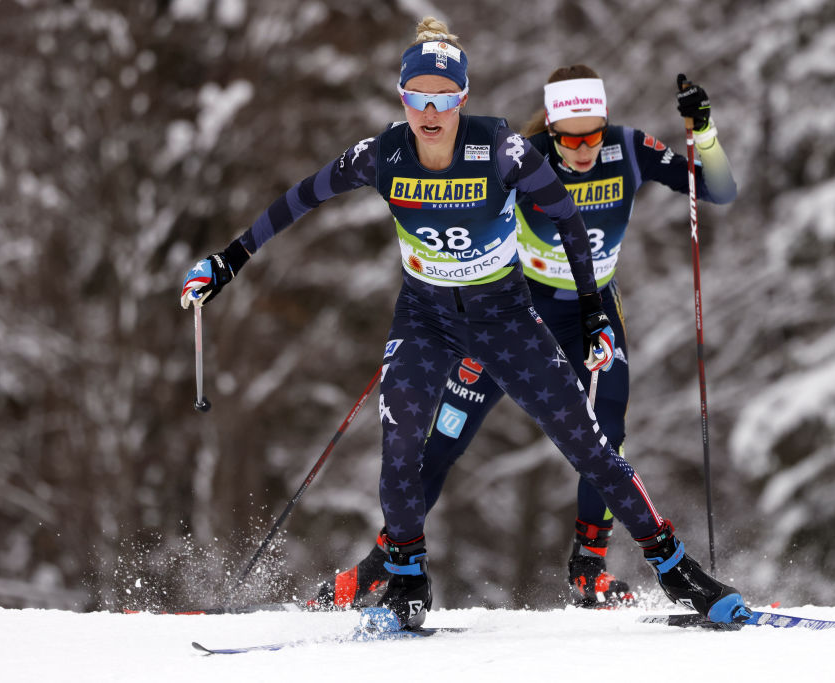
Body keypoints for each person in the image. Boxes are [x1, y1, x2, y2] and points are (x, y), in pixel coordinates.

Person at [181, 18, 750, 629]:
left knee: (589, 442)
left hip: (504, 317)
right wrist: (227, 261)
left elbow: (569, 221)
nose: (431, 110)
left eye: (444, 97)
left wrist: (594, 315)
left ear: (463, 99)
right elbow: (300, 198)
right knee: (403, 437)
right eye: (418, 96)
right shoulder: (384, 154)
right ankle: (403, 577)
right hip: (425, 317)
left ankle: (674, 569)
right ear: (403, 99)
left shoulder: (503, 150)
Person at [313, 65, 740, 611]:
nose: (585, 150)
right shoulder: (521, 152)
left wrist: (703, 134)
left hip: (591, 308)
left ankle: (590, 569)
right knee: (443, 437)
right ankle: (384, 563)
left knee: (604, 437)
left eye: (594, 135)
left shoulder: (629, 150)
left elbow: (720, 190)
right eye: (571, 139)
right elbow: (459, 208)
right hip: (513, 311)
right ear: (552, 130)